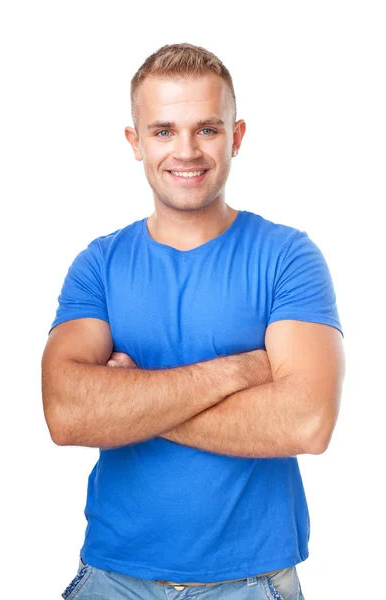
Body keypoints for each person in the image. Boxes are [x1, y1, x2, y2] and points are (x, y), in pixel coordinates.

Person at [42, 43, 345, 600]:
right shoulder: (100, 264)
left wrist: (127, 399)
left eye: (207, 129)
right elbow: (65, 414)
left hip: (252, 584)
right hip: (112, 580)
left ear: (237, 136)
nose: (186, 150)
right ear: (134, 143)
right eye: (162, 131)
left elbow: (306, 423)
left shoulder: (288, 257)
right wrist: (238, 373)